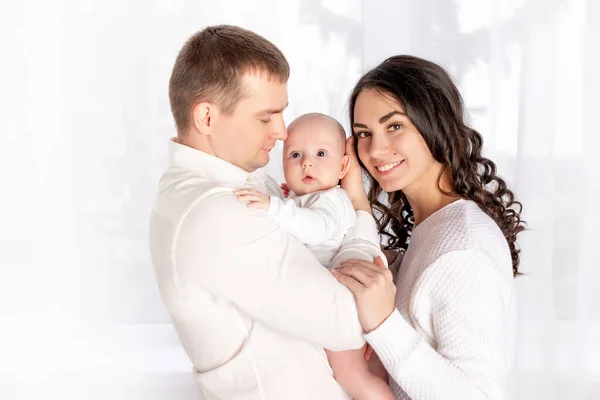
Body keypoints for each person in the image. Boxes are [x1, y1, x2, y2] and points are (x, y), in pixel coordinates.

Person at [148, 25, 386, 400]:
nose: (281, 132)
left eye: (282, 114)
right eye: (266, 117)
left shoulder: (237, 187)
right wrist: (357, 205)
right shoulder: (218, 215)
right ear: (207, 118)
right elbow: (356, 319)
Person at [332, 55, 526, 400]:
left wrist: (384, 326)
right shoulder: (434, 230)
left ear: (434, 122)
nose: (375, 149)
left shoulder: (462, 250)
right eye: (364, 133)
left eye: (394, 126)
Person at [234, 112, 394, 400]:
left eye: (321, 153)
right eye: (295, 154)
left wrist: (275, 208)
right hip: (327, 306)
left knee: (352, 375)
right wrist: (290, 200)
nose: (307, 162)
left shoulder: (332, 201)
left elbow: (316, 228)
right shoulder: (306, 198)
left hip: (348, 309)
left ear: (344, 166)